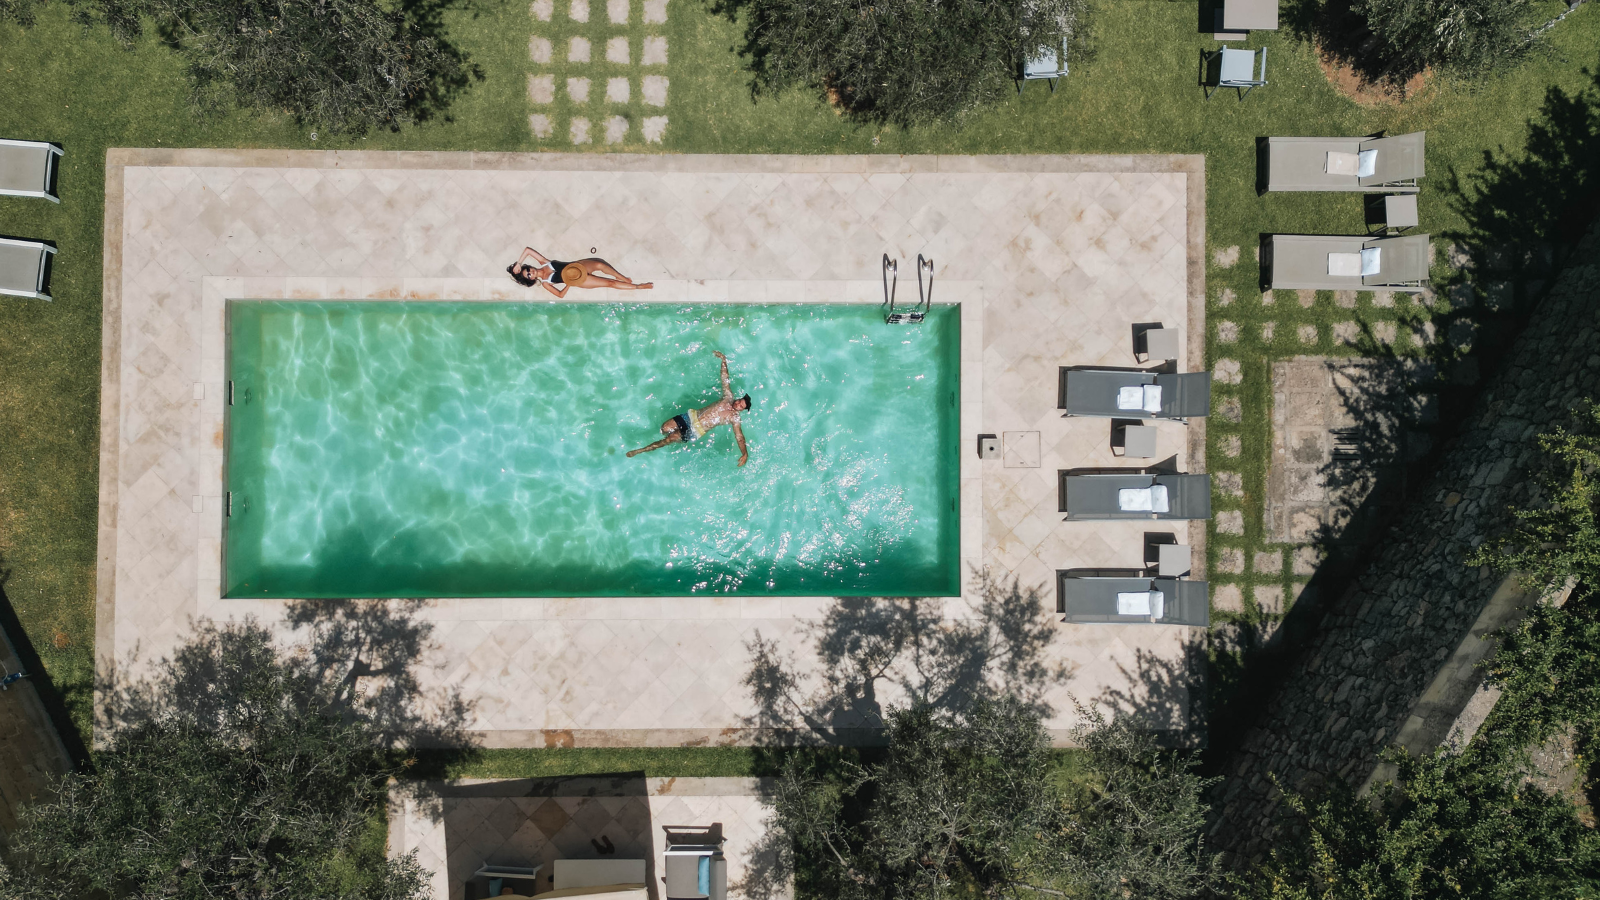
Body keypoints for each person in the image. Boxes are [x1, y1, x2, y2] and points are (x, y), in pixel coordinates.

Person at [627, 351, 751, 466]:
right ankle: (653, 438)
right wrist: (723, 361)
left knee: (669, 439)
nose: (738, 404)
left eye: (741, 406)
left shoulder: (735, 418)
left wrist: (744, 453)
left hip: (696, 430)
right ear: (738, 398)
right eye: (739, 401)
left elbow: (739, 436)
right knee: (665, 428)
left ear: (742, 410)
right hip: (690, 417)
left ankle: (641, 450)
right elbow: (725, 379)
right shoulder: (728, 397)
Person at [507, 247, 653, 296]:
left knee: (599, 264)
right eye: (528, 275)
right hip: (579, 281)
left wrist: (518, 263)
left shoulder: (543, 262)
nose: (531, 272)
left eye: (528, 270)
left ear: (529, 267)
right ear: (531, 279)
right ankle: (639, 287)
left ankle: (623, 277)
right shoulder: (545, 283)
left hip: (578, 266)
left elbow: (528, 250)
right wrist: (569, 283)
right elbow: (560, 295)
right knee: (610, 283)